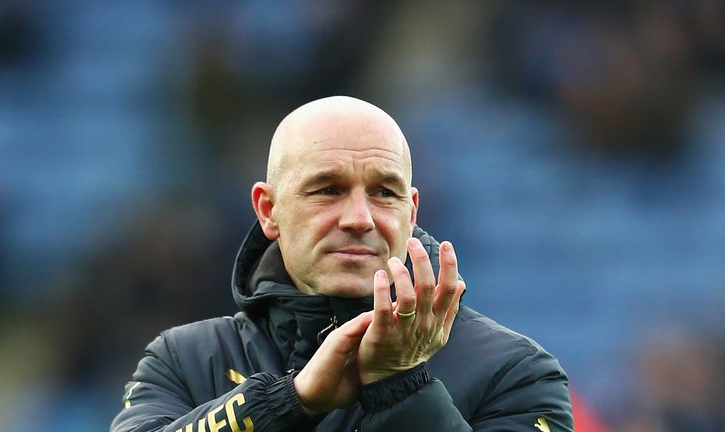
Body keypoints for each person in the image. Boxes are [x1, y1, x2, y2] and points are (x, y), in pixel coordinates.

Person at [111, 96, 573, 431]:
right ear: (269, 211)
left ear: (411, 213)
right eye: (328, 189)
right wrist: (287, 402)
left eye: (383, 192)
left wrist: (400, 386)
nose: (359, 218)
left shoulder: (514, 372)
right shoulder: (186, 359)